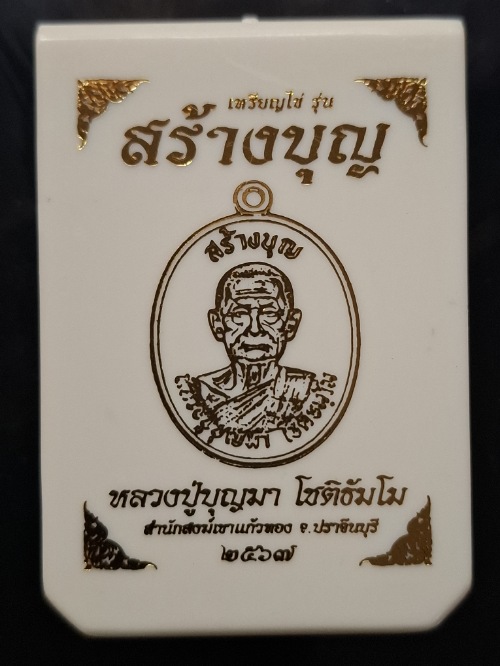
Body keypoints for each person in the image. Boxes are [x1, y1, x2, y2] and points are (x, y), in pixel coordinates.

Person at [176, 262, 336, 449]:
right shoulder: (197, 393)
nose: (254, 329)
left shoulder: (308, 391)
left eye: (269, 313)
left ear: (291, 324)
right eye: (239, 314)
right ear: (217, 324)